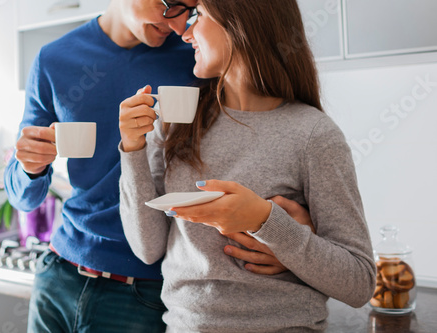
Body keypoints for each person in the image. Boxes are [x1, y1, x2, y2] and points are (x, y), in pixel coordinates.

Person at [3, 0, 312, 332]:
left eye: (190, 10)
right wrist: (30, 167)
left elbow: (268, 135)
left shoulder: (199, 58)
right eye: (171, 4)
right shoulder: (53, 60)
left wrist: (295, 231)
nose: (180, 25)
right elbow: (23, 197)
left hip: (146, 289)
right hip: (58, 273)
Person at [118, 0, 377, 331]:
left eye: (199, 17)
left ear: (239, 21)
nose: (185, 33)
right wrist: (132, 147)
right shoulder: (177, 122)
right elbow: (147, 248)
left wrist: (265, 222)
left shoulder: (313, 134)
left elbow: (359, 283)